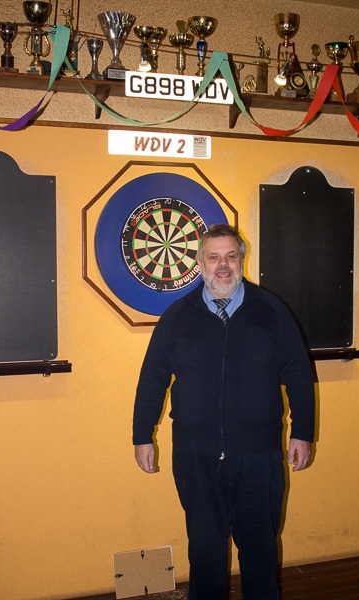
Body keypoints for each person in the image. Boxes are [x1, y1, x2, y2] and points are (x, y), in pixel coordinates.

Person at [133, 224, 315, 600]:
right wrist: (141, 435)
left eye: (231, 256)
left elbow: (299, 372)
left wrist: (303, 431)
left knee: (261, 557)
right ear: (200, 264)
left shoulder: (271, 311)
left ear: (241, 260)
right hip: (196, 459)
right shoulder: (178, 316)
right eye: (214, 257)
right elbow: (152, 378)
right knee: (205, 559)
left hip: (259, 458)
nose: (223, 265)